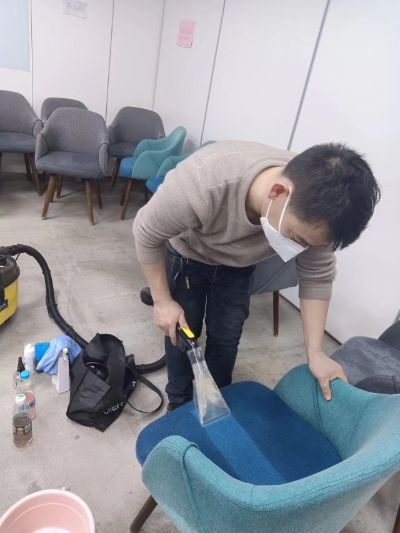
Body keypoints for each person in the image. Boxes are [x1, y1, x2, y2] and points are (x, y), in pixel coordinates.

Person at [133, 141, 380, 409]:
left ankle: (216, 402)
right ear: (278, 192)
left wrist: (315, 352)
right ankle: (178, 402)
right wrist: (162, 301)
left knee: (226, 337)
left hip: (239, 266)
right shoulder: (203, 181)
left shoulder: (322, 211)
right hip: (188, 256)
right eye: (296, 238)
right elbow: (146, 231)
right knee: (181, 332)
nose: (299, 249)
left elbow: (317, 275)